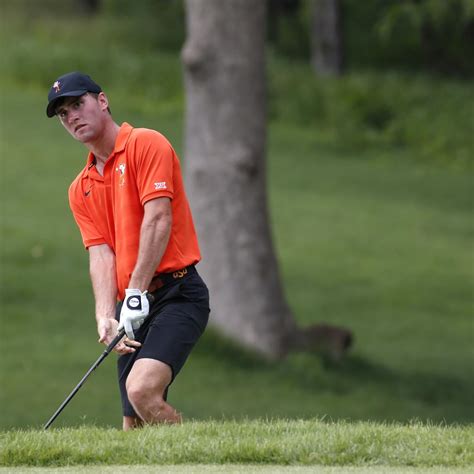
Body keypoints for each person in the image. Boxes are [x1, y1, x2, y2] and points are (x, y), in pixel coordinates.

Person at [46, 71, 210, 430]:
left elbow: (158, 219)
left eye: (78, 104)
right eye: (63, 114)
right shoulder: (80, 189)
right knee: (132, 428)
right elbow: (101, 254)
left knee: (142, 391)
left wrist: (135, 290)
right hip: (132, 308)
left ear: (102, 101)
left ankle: (207, 459)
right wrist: (105, 314)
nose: (72, 116)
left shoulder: (146, 144)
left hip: (178, 293)